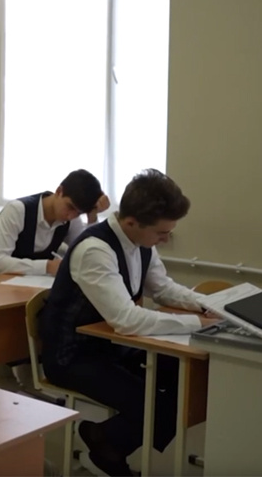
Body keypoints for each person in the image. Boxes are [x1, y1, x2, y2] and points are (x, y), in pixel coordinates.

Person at [39, 169, 220, 476]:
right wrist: (197, 324)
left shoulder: (141, 241)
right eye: (161, 233)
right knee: (154, 404)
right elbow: (126, 320)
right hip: (72, 355)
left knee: (187, 378)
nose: (166, 239)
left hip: (111, 346)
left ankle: (105, 439)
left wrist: (209, 305)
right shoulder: (95, 249)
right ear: (132, 222)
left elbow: (162, 288)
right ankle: (105, 446)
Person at [0, 169, 110, 276]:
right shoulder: (17, 210)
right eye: (70, 207)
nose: (71, 216)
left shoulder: (72, 219)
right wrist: (47, 266)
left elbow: (88, 255)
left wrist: (92, 216)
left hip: (34, 288)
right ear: (59, 191)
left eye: (78, 213)